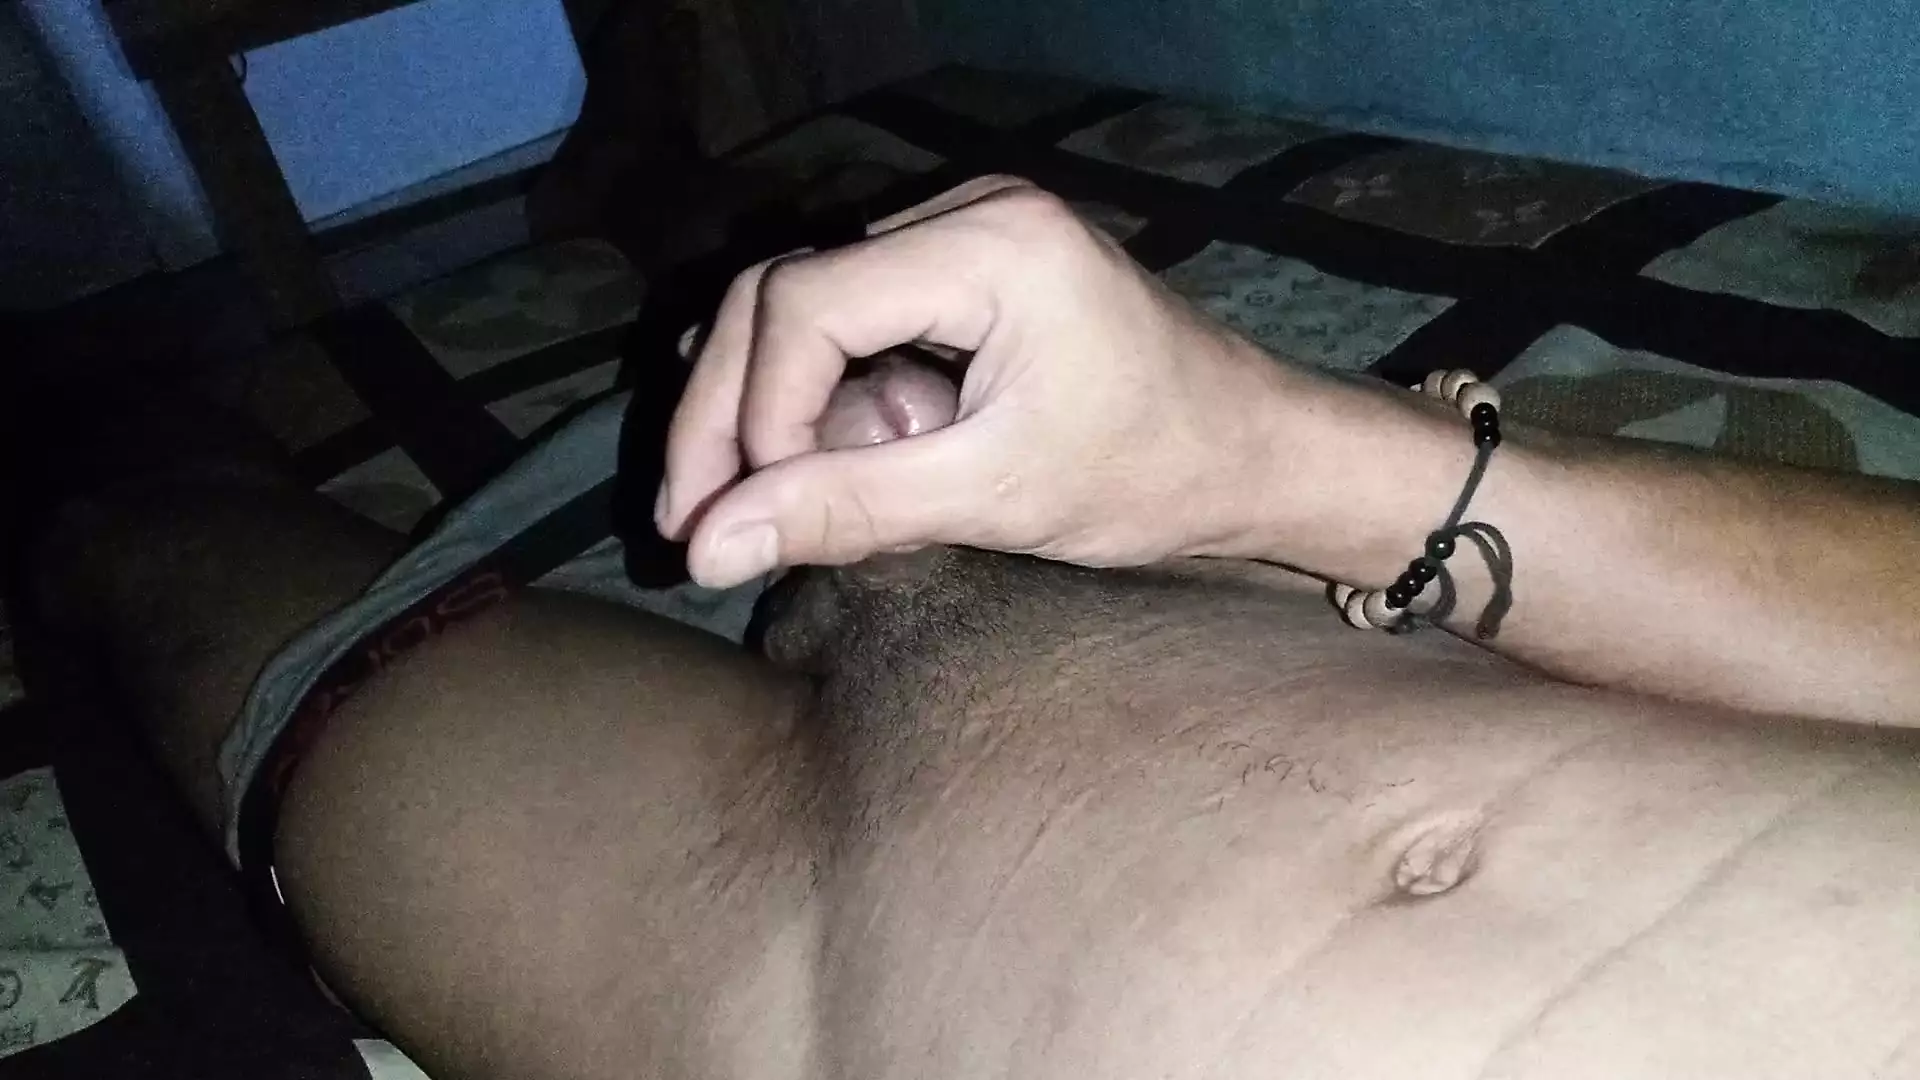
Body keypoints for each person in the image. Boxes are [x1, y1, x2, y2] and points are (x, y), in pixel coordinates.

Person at [13, 177, 1920, 1080]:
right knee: (140, 489)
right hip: (1328, 624)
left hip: (751, 980)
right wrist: (1295, 462)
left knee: (112, 540)